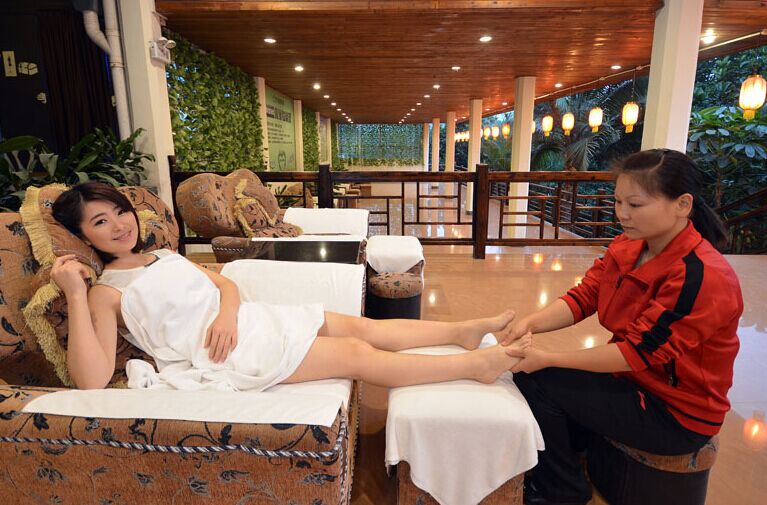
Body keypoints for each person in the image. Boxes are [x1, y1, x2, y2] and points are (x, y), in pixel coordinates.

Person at [50, 182, 527, 391]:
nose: (119, 226)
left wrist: (227, 313)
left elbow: (225, 287)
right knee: (356, 354)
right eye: (100, 221)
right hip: (224, 354)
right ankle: (474, 365)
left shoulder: (165, 256)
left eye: (120, 212)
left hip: (246, 322)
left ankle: (462, 331)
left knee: (362, 327)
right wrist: (74, 292)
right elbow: (90, 379)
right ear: (83, 236)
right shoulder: (106, 293)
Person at [498, 149, 743, 505]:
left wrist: (548, 357)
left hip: (674, 413)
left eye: (635, 204)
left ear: (683, 204)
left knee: (538, 379)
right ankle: (567, 461)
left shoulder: (701, 276)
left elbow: (636, 353)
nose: (622, 213)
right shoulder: (628, 246)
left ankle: (561, 491)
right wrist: (530, 322)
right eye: (617, 202)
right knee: (536, 379)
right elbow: (585, 297)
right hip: (632, 383)